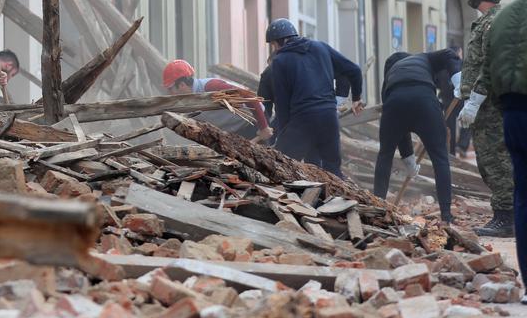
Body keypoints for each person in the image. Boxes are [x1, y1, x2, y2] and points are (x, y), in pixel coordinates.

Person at [372, 47, 461, 223]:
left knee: (385, 154)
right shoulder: (426, 58)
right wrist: (458, 79)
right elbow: (450, 54)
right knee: (440, 158)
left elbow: (399, 128)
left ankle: (377, 208)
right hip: (424, 100)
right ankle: (446, 215)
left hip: (394, 103)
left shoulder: (391, 74)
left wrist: (408, 159)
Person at [267, 17, 363, 177]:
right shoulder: (321, 47)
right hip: (329, 117)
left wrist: (284, 133)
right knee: (332, 171)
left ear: (281, 41)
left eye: (273, 44)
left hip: (302, 119)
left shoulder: (280, 61)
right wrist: (356, 98)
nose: (274, 49)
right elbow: (354, 70)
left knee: (279, 166)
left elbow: (282, 104)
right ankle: (344, 200)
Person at [459, 0, 515, 236]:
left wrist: (475, 99)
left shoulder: (494, 23)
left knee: (495, 162)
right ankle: (507, 216)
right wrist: (464, 86)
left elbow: (491, 64)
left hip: (491, 106)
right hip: (486, 103)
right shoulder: (490, 22)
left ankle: (505, 219)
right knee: (491, 161)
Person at [482, 0, 527, 291]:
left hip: (513, 113)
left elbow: (487, 71)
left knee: (523, 195)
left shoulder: (503, 17)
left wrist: (506, 109)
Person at [162, 60, 273, 141]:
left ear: (181, 85)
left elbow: (248, 97)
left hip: (254, 122)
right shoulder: (186, 104)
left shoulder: (211, 87)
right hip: (234, 131)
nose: (169, 93)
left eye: (170, 89)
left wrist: (263, 127)